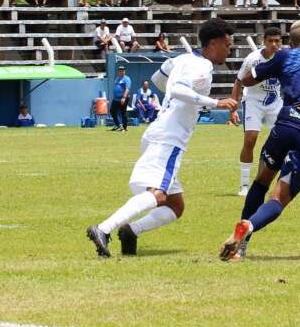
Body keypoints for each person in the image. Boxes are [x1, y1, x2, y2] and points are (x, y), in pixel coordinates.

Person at [86, 19, 237, 257]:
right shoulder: (203, 66)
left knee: (175, 206)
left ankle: (131, 231)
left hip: (160, 131)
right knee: (158, 194)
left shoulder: (181, 59)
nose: (230, 50)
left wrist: (177, 102)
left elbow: (158, 78)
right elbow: (176, 89)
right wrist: (215, 102)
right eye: (227, 45)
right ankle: (103, 229)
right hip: (170, 137)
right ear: (214, 42)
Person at [220, 20, 300, 261]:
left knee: (261, 183)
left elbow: (246, 79)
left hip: (286, 126)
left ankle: (242, 247)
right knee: (278, 199)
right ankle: (249, 226)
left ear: (291, 41)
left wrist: (267, 66)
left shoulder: (285, 56)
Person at [233, 27, 284, 197]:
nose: (274, 44)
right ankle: (244, 185)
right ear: (264, 41)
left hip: (275, 102)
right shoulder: (253, 59)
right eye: (271, 41)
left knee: (283, 141)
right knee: (250, 140)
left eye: (277, 41)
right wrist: (233, 108)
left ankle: (282, 181)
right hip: (253, 101)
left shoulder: (284, 58)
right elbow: (238, 81)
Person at [109, 65, 132, 132]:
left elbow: (127, 89)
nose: (121, 71)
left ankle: (124, 127)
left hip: (123, 98)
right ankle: (117, 125)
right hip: (116, 99)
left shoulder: (127, 79)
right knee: (112, 111)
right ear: (118, 71)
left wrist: (124, 97)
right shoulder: (117, 79)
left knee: (123, 113)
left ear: (124, 71)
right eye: (120, 70)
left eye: (122, 70)